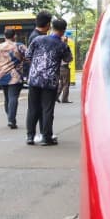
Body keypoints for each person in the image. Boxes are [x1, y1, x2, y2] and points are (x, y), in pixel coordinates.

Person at [25, 15, 72, 146]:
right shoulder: (62, 45)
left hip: (34, 79)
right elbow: (68, 59)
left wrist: (37, 65)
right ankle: (46, 137)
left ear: (51, 27)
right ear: (63, 30)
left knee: (32, 108)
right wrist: (65, 44)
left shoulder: (38, 39)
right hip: (50, 81)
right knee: (47, 109)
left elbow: (28, 55)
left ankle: (30, 137)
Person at [0, 26, 28, 128]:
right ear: (14, 36)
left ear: (4, 36)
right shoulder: (20, 46)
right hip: (16, 76)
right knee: (13, 97)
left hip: (2, 76)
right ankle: (11, 120)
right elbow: (29, 57)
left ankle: (10, 118)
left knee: (7, 98)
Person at [56, 34, 74, 104]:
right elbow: (70, 58)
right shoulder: (66, 47)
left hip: (59, 67)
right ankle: (64, 99)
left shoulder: (57, 47)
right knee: (66, 83)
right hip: (65, 67)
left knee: (61, 83)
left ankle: (56, 96)